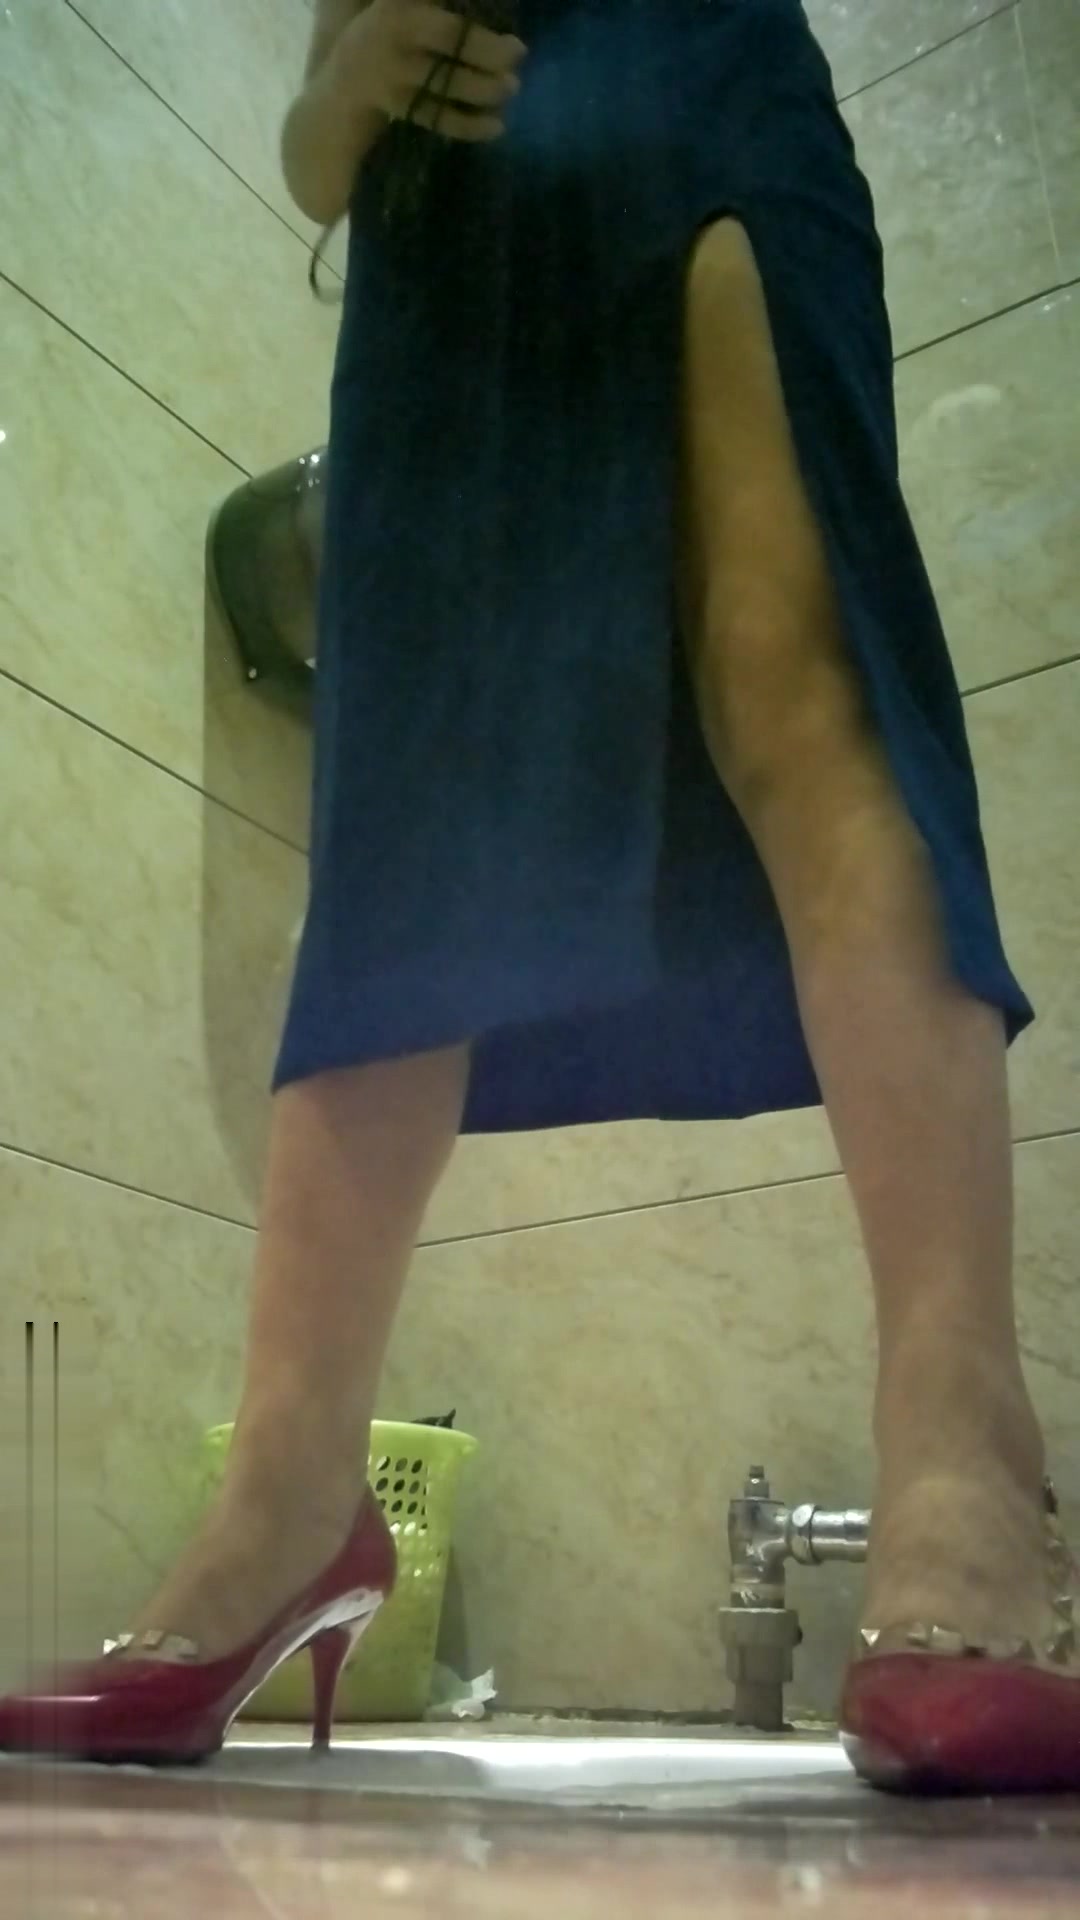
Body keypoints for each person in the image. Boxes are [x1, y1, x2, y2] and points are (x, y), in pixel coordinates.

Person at [2, 0, 1076, 1794]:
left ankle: (967, 1452)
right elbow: (313, 147)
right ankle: (290, 1490)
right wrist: (345, 88)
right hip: (443, 192)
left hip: (706, 72)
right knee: (400, 808)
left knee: (800, 672)